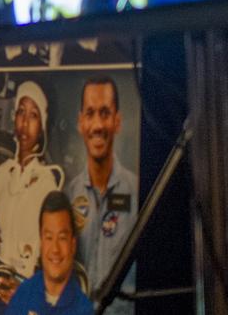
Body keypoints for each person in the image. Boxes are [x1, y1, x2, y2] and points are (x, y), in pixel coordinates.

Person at [0, 81, 64, 308]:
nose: (25, 122)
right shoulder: (3, 173)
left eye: (34, 115)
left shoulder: (49, 184)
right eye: (21, 112)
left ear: (43, 127)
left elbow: (55, 255)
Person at [67, 76, 138, 314]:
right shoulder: (69, 196)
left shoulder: (139, 195)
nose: (97, 125)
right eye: (90, 113)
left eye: (105, 113)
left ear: (117, 121)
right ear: (80, 123)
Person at [4, 191, 94, 315]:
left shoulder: (83, 309)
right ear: (41, 242)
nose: (55, 249)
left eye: (62, 238)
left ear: (73, 245)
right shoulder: (23, 294)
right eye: (49, 237)